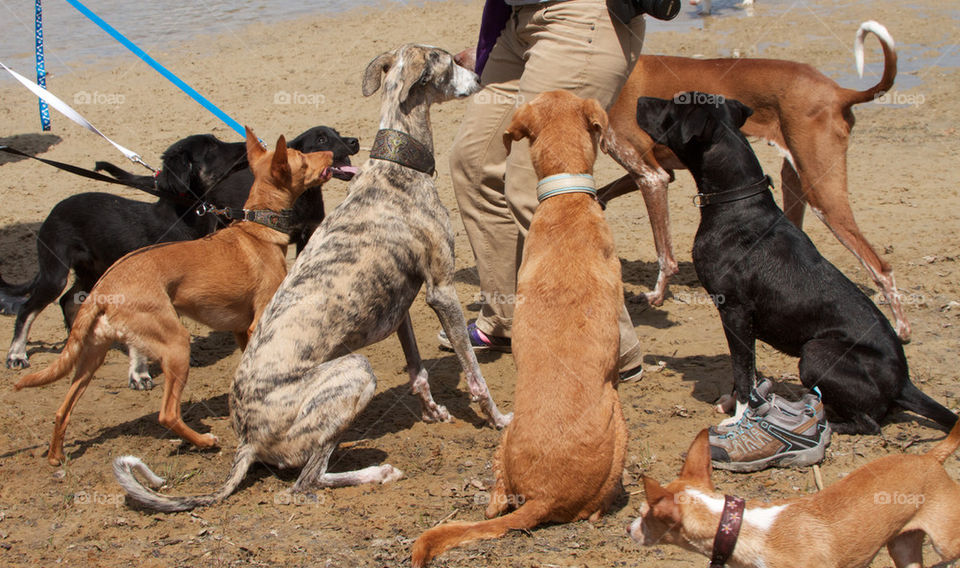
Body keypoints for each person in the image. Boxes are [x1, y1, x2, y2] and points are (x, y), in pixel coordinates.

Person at [439, 0, 650, 380]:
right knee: (475, 163)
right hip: (515, 21)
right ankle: (505, 318)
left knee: (537, 190)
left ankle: (617, 349)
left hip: (580, 17)